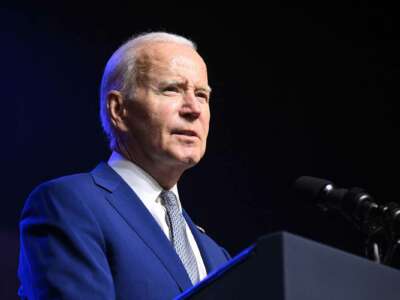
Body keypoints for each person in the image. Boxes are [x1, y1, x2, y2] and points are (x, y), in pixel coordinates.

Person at [18, 32, 231, 300]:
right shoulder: (69, 204)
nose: (193, 109)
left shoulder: (217, 256)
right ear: (118, 110)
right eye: (171, 89)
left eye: (202, 95)